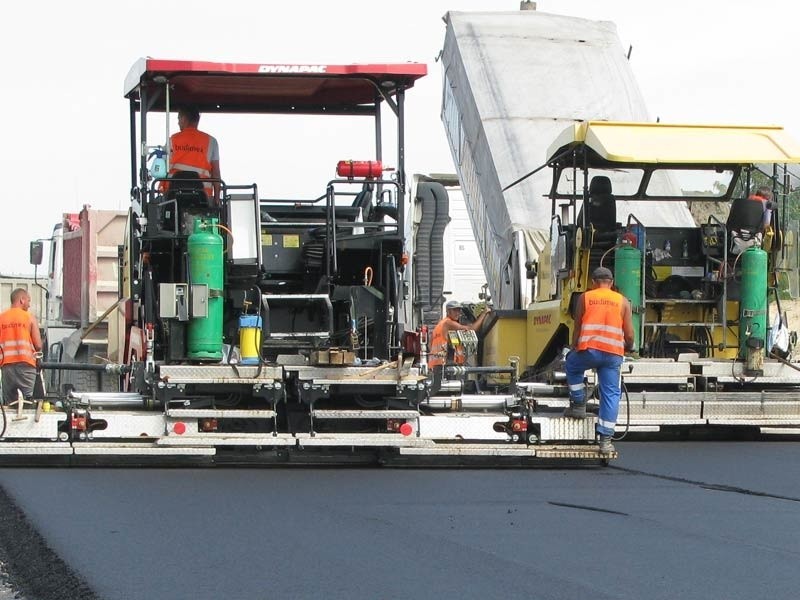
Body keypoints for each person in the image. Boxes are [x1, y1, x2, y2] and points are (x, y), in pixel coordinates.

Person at [563, 267, 635, 455]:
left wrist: (574, 346)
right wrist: (629, 346)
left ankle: (578, 404)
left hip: (589, 352)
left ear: (593, 282)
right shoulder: (623, 302)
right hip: (613, 355)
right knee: (610, 394)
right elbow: (629, 333)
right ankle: (605, 441)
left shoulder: (585, 298)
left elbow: (577, 326)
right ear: (611, 283)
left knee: (571, 364)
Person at [428, 300, 492, 394]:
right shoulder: (448, 323)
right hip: (445, 367)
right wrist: (484, 313)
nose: (458, 313)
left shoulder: (440, 325)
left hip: (437, 366)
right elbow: (472, 329)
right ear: (448, 311)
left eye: (459, 310)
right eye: (455, 310)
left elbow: (430, 344)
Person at [167, 106, 221, 206]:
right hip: (204, 196)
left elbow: (162, 169)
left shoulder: (172, 140)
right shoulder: (211, 142)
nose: (178, 122)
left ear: (183, 118)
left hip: (174, 194)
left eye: (178, 118)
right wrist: (217, 199)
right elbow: (216, 173)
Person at [0, 289, 43, 405]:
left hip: (7, 367)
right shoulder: (29, 318)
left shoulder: (1, 318)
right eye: (28, 301)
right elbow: (38, 345)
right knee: (26, 402)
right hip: (26, 366)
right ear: (21, 300)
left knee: (10, 404)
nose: (29, 305)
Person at [727, 185, 772, 254]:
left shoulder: (744, 204)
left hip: (736, 240)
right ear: (769, 197)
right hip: (754, 244)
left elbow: (730, 223)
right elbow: (766, 224)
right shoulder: (767, 205)